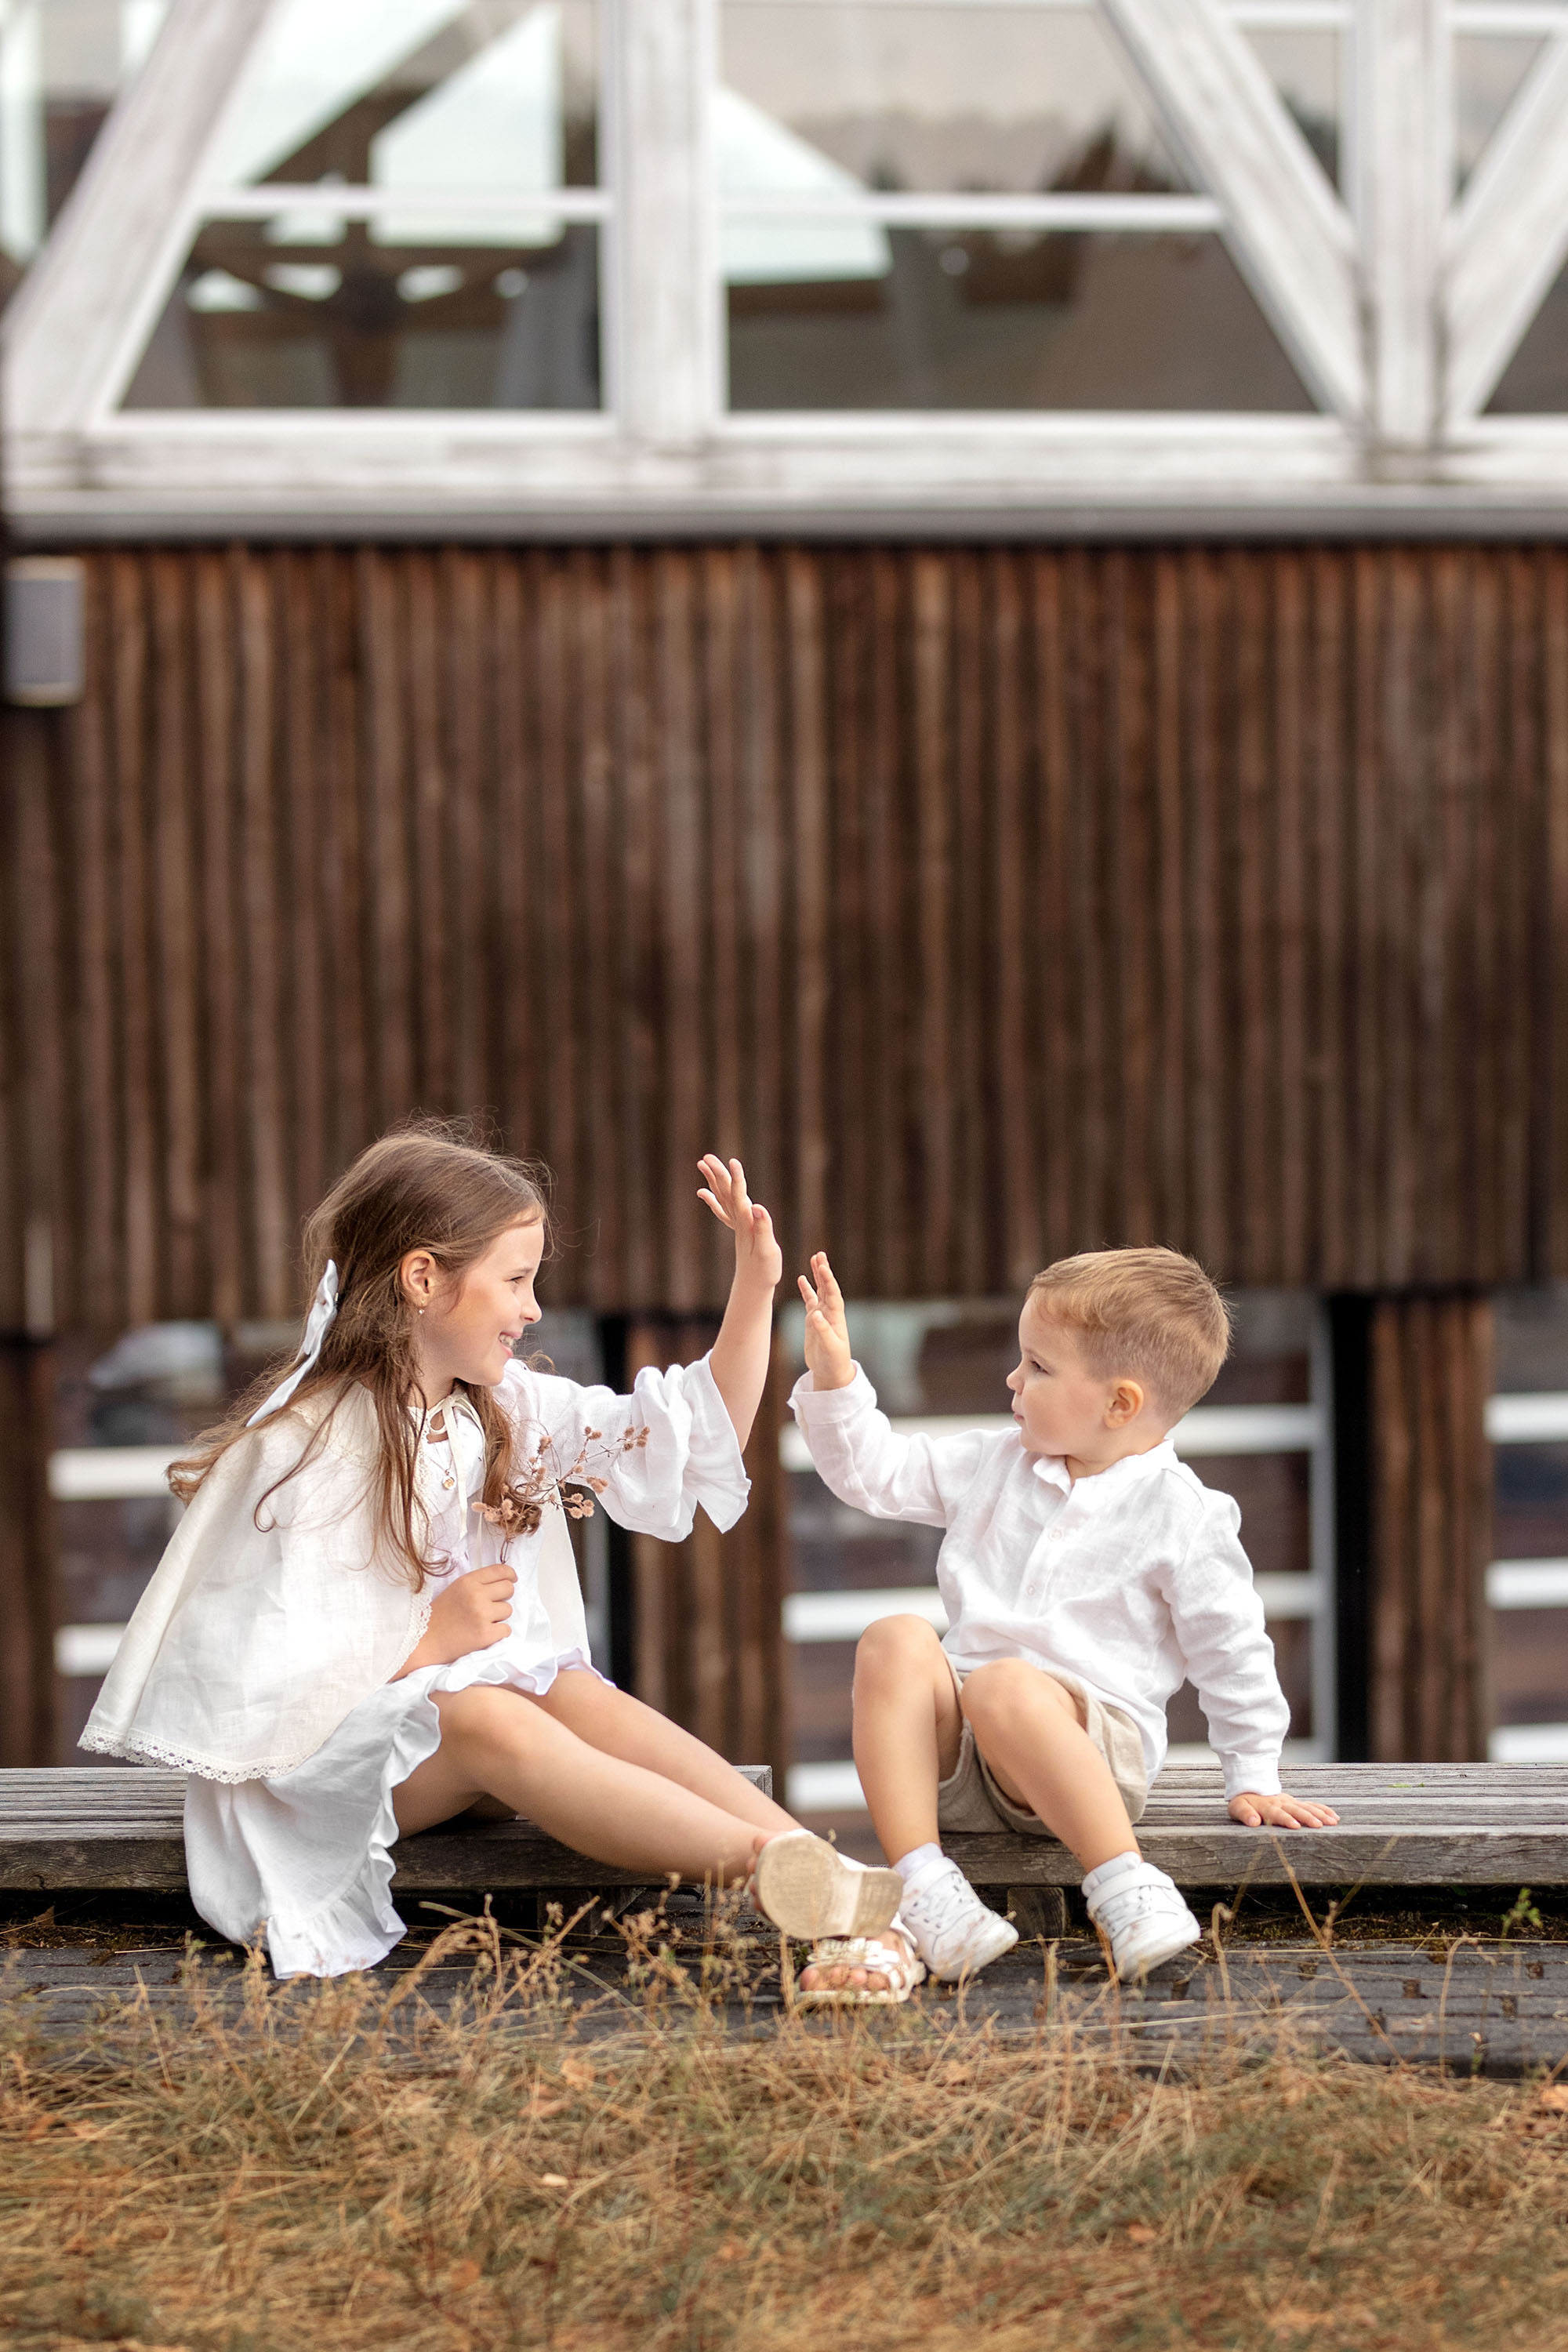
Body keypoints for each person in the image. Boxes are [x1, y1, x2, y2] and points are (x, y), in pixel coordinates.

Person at [83, 1124, 900, 1977]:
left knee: (570, 1689)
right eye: (515, 1280)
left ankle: (832, 1879)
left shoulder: (501, 1408)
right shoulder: (304, 1448)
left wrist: (753, 1285)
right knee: (490, 1709)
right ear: (423, 1278)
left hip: (440, 1745)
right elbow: (258, 1678)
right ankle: (775, 1878)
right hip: (312, 1776)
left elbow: (696, 1435)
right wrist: (427, 1641)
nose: (533, 1308)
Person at [788, 1246, 1339, 2004]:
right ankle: (923, 1886)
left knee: (1009, 1686)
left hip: (1090, 1759)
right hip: (969, 1763)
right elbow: (872, 1473)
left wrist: (1252, 1774)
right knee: (894, 1638)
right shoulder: (995, 1463)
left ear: (1119, 1404)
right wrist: (835, 1377)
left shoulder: (1183, 1514)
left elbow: (1233, 1649)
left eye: (1039, 1368)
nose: (1014, 1380)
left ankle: (1122, 1885)